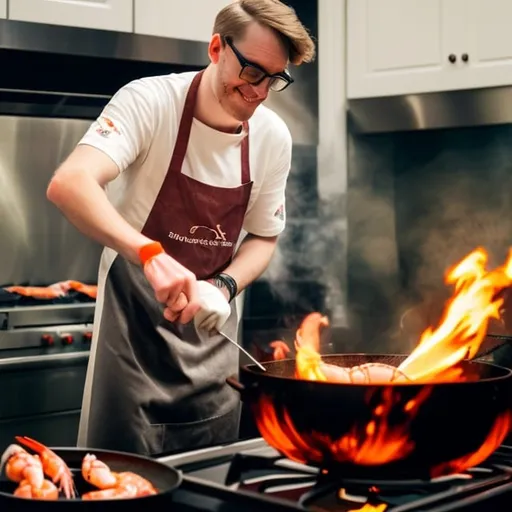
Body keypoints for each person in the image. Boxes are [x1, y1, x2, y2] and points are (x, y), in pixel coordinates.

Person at [46, 0, 316, 456]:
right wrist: (150, 255)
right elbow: (69, 184)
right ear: (216, 47)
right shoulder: (150, 101)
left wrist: (224, 287)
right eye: (252, 72)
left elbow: (264, 236)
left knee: (209, 486)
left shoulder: (272, 137)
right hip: (132, 340)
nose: (260, 92)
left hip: (212, 346)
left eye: (275, 79)